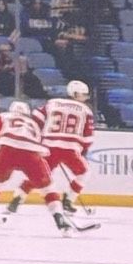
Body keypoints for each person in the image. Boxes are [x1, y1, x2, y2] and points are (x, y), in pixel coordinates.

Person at [0, 101, 69, 233]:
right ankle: (60, 219)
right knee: (48, 187)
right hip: (31, 152)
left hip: (7, 149)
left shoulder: (4, 116)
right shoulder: (34, 124)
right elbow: (46, 145)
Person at [39, 82, 98, 230]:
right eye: (83, 95)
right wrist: (82, 150)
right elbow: (88, 137)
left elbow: (37, 120)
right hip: (69, 148)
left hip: (49, 146)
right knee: (84, 172)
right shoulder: (85, 110)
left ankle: (14, 202)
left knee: (41, 178)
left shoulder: (53, 103)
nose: (85, 98)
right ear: (75, 94)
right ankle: (67, 202)